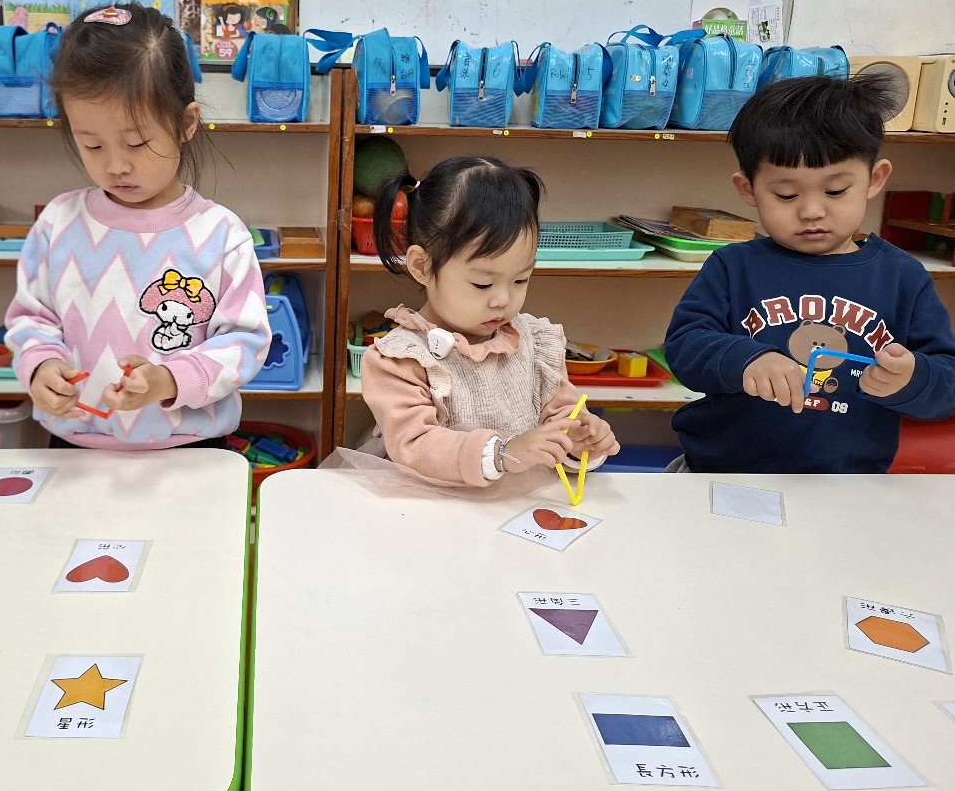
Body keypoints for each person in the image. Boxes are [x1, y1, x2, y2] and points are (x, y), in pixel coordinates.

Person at [4, 3, 271, 449]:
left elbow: (245, 342)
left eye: (137, 142)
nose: (115, 165)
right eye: (92, 145)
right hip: (77, 447)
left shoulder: (221, 234)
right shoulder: (58, 223)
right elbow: (32, 318)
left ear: (185, 124)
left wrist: (169, 379)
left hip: (188, 449)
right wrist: (40, 365)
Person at [664, 74, 955, 473]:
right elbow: (685, 347)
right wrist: (746, 359)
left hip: (847, 483)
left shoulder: (903, 277)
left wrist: (914, 379)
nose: (812, 211)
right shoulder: (733, 266)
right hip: (721, 472)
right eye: (786, 195)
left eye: (835, 191)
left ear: (874, 179)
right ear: (748, 189)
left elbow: (947, 383)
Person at [360, 155, 619, 486]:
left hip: (517, 505)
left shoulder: (534, 341)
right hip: (431, 505)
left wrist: (577, 440)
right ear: (422, 267)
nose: (503, 300)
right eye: (483, 284)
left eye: (521, 279)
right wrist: (502, 453)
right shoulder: (401, 358)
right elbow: (415, 444)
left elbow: (560, 416)